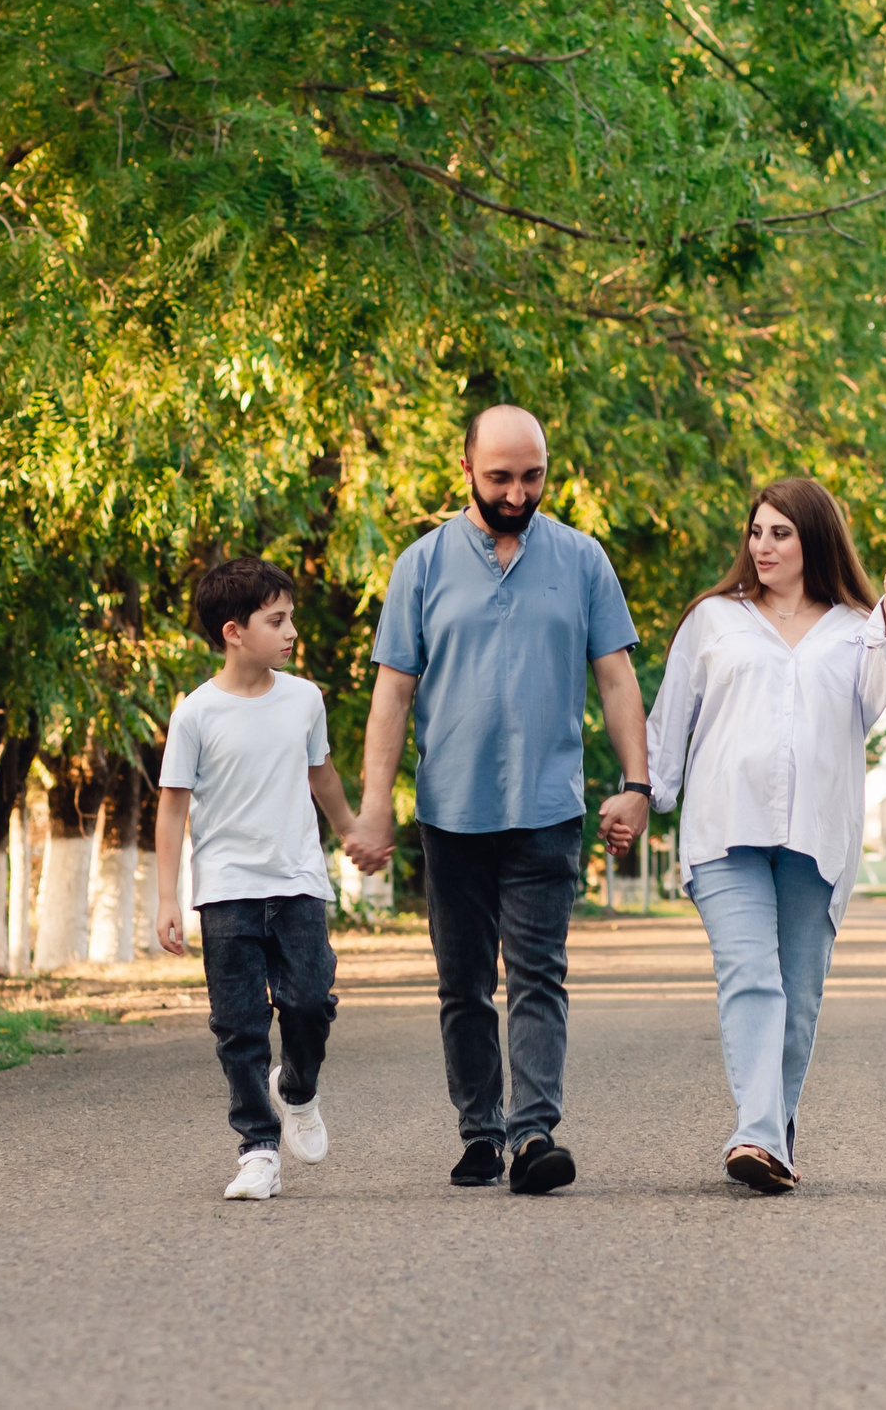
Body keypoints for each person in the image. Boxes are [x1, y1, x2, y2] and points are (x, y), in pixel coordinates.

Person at [349, 405, 650, 1195]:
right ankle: (479, 1131)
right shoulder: (420, 564)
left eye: (532, 476)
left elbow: (616, 679)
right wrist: (375, 802)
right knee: (463, 983)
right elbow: (392, 692)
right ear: (468, 471)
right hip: (451, 811)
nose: (518, 493)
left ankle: (533, 1133)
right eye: (500, 477)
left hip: (549, 808)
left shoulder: (582, 560)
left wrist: (638, 785)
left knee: (539, 975)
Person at [642, 479, 886, 1193]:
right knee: (753, 980)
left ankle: (770, 1136)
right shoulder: (714, 619)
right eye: (756, 532)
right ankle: (757, 1135)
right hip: (725, 825)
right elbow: (669, 718)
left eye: (780, 534)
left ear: (814, 541)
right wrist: (646, 794)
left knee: (798, 999)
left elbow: (879, 692)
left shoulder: (858, 625)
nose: (761, 546)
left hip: (817, 832)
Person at [154, 556, 358, 1201]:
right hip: (225, 891)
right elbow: (172, 805)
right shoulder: (196, 714)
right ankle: (258, 1150)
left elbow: (320, 773)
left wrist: (351, 828)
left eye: (290, 617)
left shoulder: (304, 698)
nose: (291, 630)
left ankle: (297, 1087)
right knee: (238, 1024)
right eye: (278, 620)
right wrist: (168, 896)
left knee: (309, 1002)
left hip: (297, 882)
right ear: (234, 631)